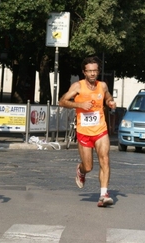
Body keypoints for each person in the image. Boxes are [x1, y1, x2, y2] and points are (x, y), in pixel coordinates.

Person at [59, 56, 116, 207]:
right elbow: (62, 101)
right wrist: (79, 104)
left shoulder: (102, 86)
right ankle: (81, 170)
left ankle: (103, 194)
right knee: (88, 166)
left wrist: (110, 101)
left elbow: (107, 95)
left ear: (98, 71)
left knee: (105, 159)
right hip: (84, 132)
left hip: (100, 129)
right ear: (84, 72)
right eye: (89, 71)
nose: (92, 74)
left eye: (95, 71)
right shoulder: (78, 86)